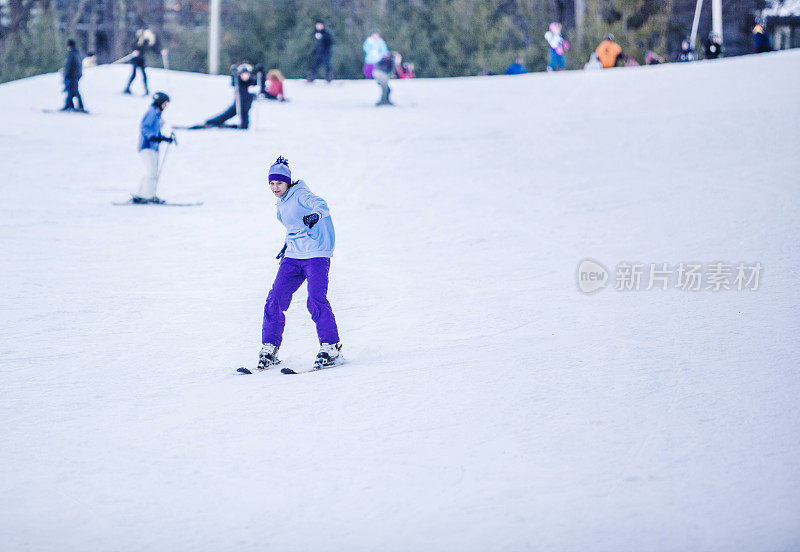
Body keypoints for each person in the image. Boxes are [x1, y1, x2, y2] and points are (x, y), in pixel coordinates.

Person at [258, 156, 342, 371]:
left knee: (315, 299)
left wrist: (315, 215)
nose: (275, 187)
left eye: (279, 183)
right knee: (275, 298)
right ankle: (270, 348)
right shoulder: (281, 203)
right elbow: (294, 228)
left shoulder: (300, 194)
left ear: (288, 182)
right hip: (295, 254)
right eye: (272, 183)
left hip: (316, 253)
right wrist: (287, 245)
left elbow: (321, 205)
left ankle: (331, 347)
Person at [132, 92, 175, 204]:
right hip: (147, 146)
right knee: (151, 172)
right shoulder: (152, 113)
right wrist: (152, 137)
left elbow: (155, 132)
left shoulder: (156, 113)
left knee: (152, 172)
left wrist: (164, 138)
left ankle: (144, 194)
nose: (166, 106)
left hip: (153, 147)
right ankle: (146, 195)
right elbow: (145, 127)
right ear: (160, 102)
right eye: (165, 103)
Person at [204, 64, 257, 129]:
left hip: (246, 105)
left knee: (244, 119)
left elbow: (261, 83)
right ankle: (212, 122)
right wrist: (234, 73)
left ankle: (243, 126)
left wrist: (261, 71)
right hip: (237, 104)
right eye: (243, 74)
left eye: (247, 74)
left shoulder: (252, 81)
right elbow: (233, 81)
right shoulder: (238, 81)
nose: (245, 76)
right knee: (227, 114)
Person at [124, 28, 160, 95]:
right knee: (134, 75)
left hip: (141, 60)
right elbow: (132, 47)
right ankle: (127, 88)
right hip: (135, 60)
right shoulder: (137, 41)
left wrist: (160, 51)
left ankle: (146, 90)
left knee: (144, 75)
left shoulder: (146, 42)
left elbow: (154, 48)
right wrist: (134, 52)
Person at [62, 39, 86, 112]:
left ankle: (72, 106)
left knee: (72, 91)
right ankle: (70, 105)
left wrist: (65, 75)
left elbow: (68, 66)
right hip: (76, 75)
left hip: (71, 76)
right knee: (73, 91)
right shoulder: (77, 53)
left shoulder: (71, 54)